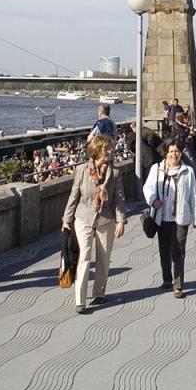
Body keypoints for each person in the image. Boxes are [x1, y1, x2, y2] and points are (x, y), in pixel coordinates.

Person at [61, 135, 127, 314]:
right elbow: (74, 196)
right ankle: (80, 300)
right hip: (83, 218)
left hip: (106, 219)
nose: (109, 152)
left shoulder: (114, 172)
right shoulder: (82, 170)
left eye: (110, 149)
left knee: (104, 258)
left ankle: (99, 292)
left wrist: (121, 220)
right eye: (106, 149)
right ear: (97, 150)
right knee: (85, 255)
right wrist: (66, 220)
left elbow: (119, 199)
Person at [144, 139, 196, 298]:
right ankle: (167, 279)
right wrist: (153, 199)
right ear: (165, 153)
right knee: (164, 251)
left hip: (181, 217)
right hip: (162, 217)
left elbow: (193, 195)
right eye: (170, 152)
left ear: (181, 153)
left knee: (178, 251)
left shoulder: (188, 171)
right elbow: (147, 187)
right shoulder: (157, 169)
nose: (173, 155)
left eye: (176, 151)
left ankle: (178, 285)